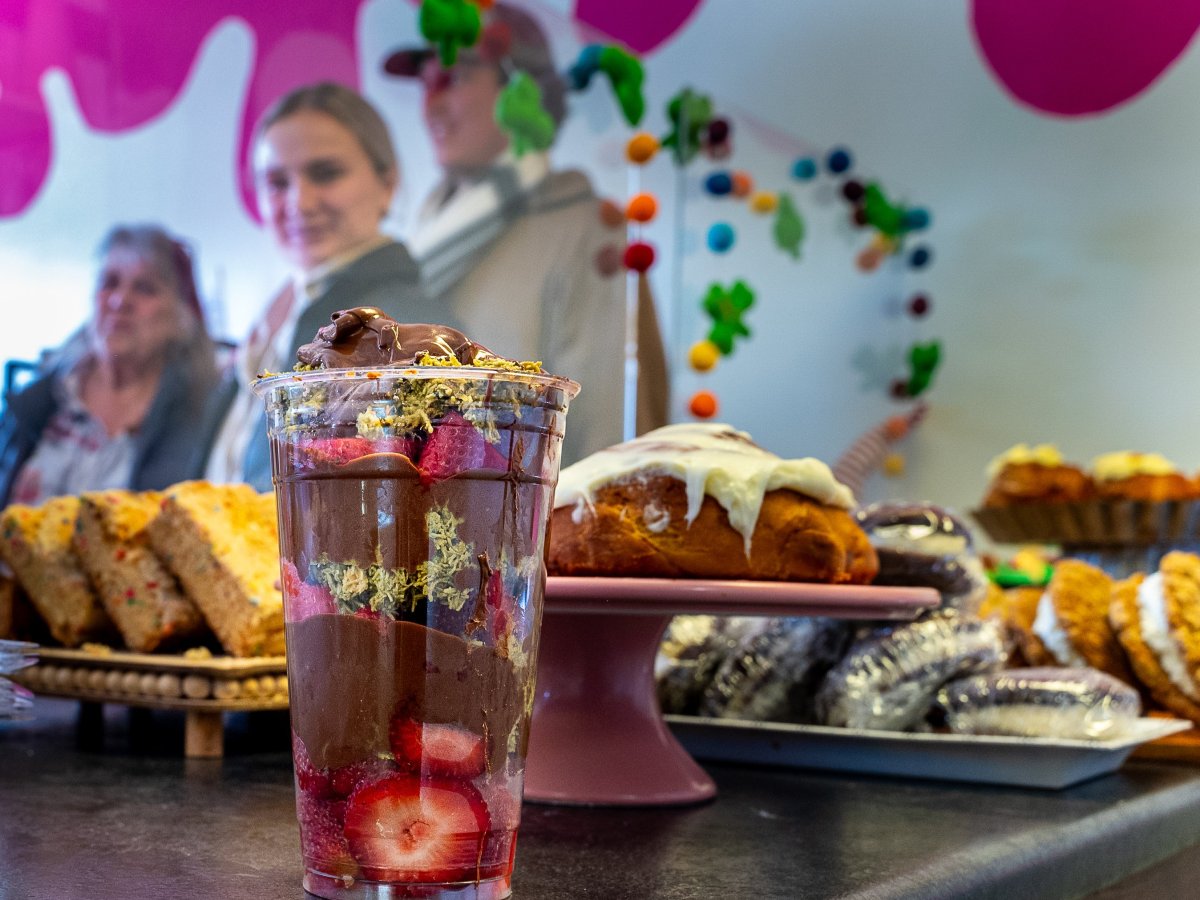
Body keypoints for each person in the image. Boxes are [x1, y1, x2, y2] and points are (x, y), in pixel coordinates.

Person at [384, 2, 669, 466]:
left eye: (457, 77)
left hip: (536, 507)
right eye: (427, 81)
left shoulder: (588, 231)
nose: (432, 102)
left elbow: (611, 433)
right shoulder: (427, 236)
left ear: (522, 92)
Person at [204, 82, 448, 490]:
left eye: (326, 173)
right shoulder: (284, 314)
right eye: (277, 181)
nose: (300, 202)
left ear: (387, 183)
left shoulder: (399, 325)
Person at [0, 224, 222, 505]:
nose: (120, 301)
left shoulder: (199, 414)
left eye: (145, 288)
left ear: (181, 317)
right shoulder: (40, 398)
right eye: (109, 283)